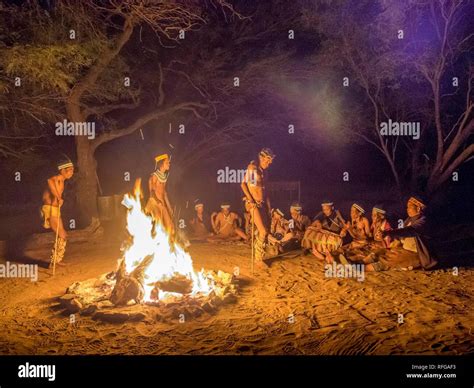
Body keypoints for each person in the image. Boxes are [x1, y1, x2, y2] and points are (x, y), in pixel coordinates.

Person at [377, 196, 438, 270]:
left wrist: (388, 233)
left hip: (417, 254)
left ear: (418, 208)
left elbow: (410, 230)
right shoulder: (409, 220)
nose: (407, 209)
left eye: (409, 207)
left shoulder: (423, 221)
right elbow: (400, 233)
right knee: (380, 253)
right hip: (405, 250)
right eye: (407, 207)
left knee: (387, 261)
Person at [241, 148, 275, 267]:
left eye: (270, 160)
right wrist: (250, 200)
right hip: (252, 204)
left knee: (265, 230)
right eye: (268, 160)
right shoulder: (252, 168)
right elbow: (243, 184)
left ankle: (260, 250)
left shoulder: (264, 173)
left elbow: (266, 192)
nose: (269, 163)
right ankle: (258, 259)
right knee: (263, 231)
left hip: (262, 204)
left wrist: (269, 207)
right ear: (261, 158)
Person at [41, 156, 74, 268]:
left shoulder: (62, 180)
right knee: (62, 234)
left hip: (55, 209)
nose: (72, 172)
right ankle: (54, 261)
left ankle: (56, 260)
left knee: (63, 234)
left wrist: (58, 198)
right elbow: (50, 181)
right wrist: (58, 197)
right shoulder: (57, 178)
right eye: (69, 170)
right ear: (62, 171)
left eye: (72, 170)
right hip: (49, 209)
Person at [145, 153, 174, 235]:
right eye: (167, 162)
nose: (169, 164)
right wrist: (157, 201)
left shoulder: (164, 177)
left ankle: (170, 245)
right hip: (154, 203)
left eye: (169, 163)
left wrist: (169, 206)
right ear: (162, 164)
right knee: (160, 227)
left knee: (170, 227)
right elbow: (152, 192)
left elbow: (164, 193)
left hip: (162, 204)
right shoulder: (154, 176)